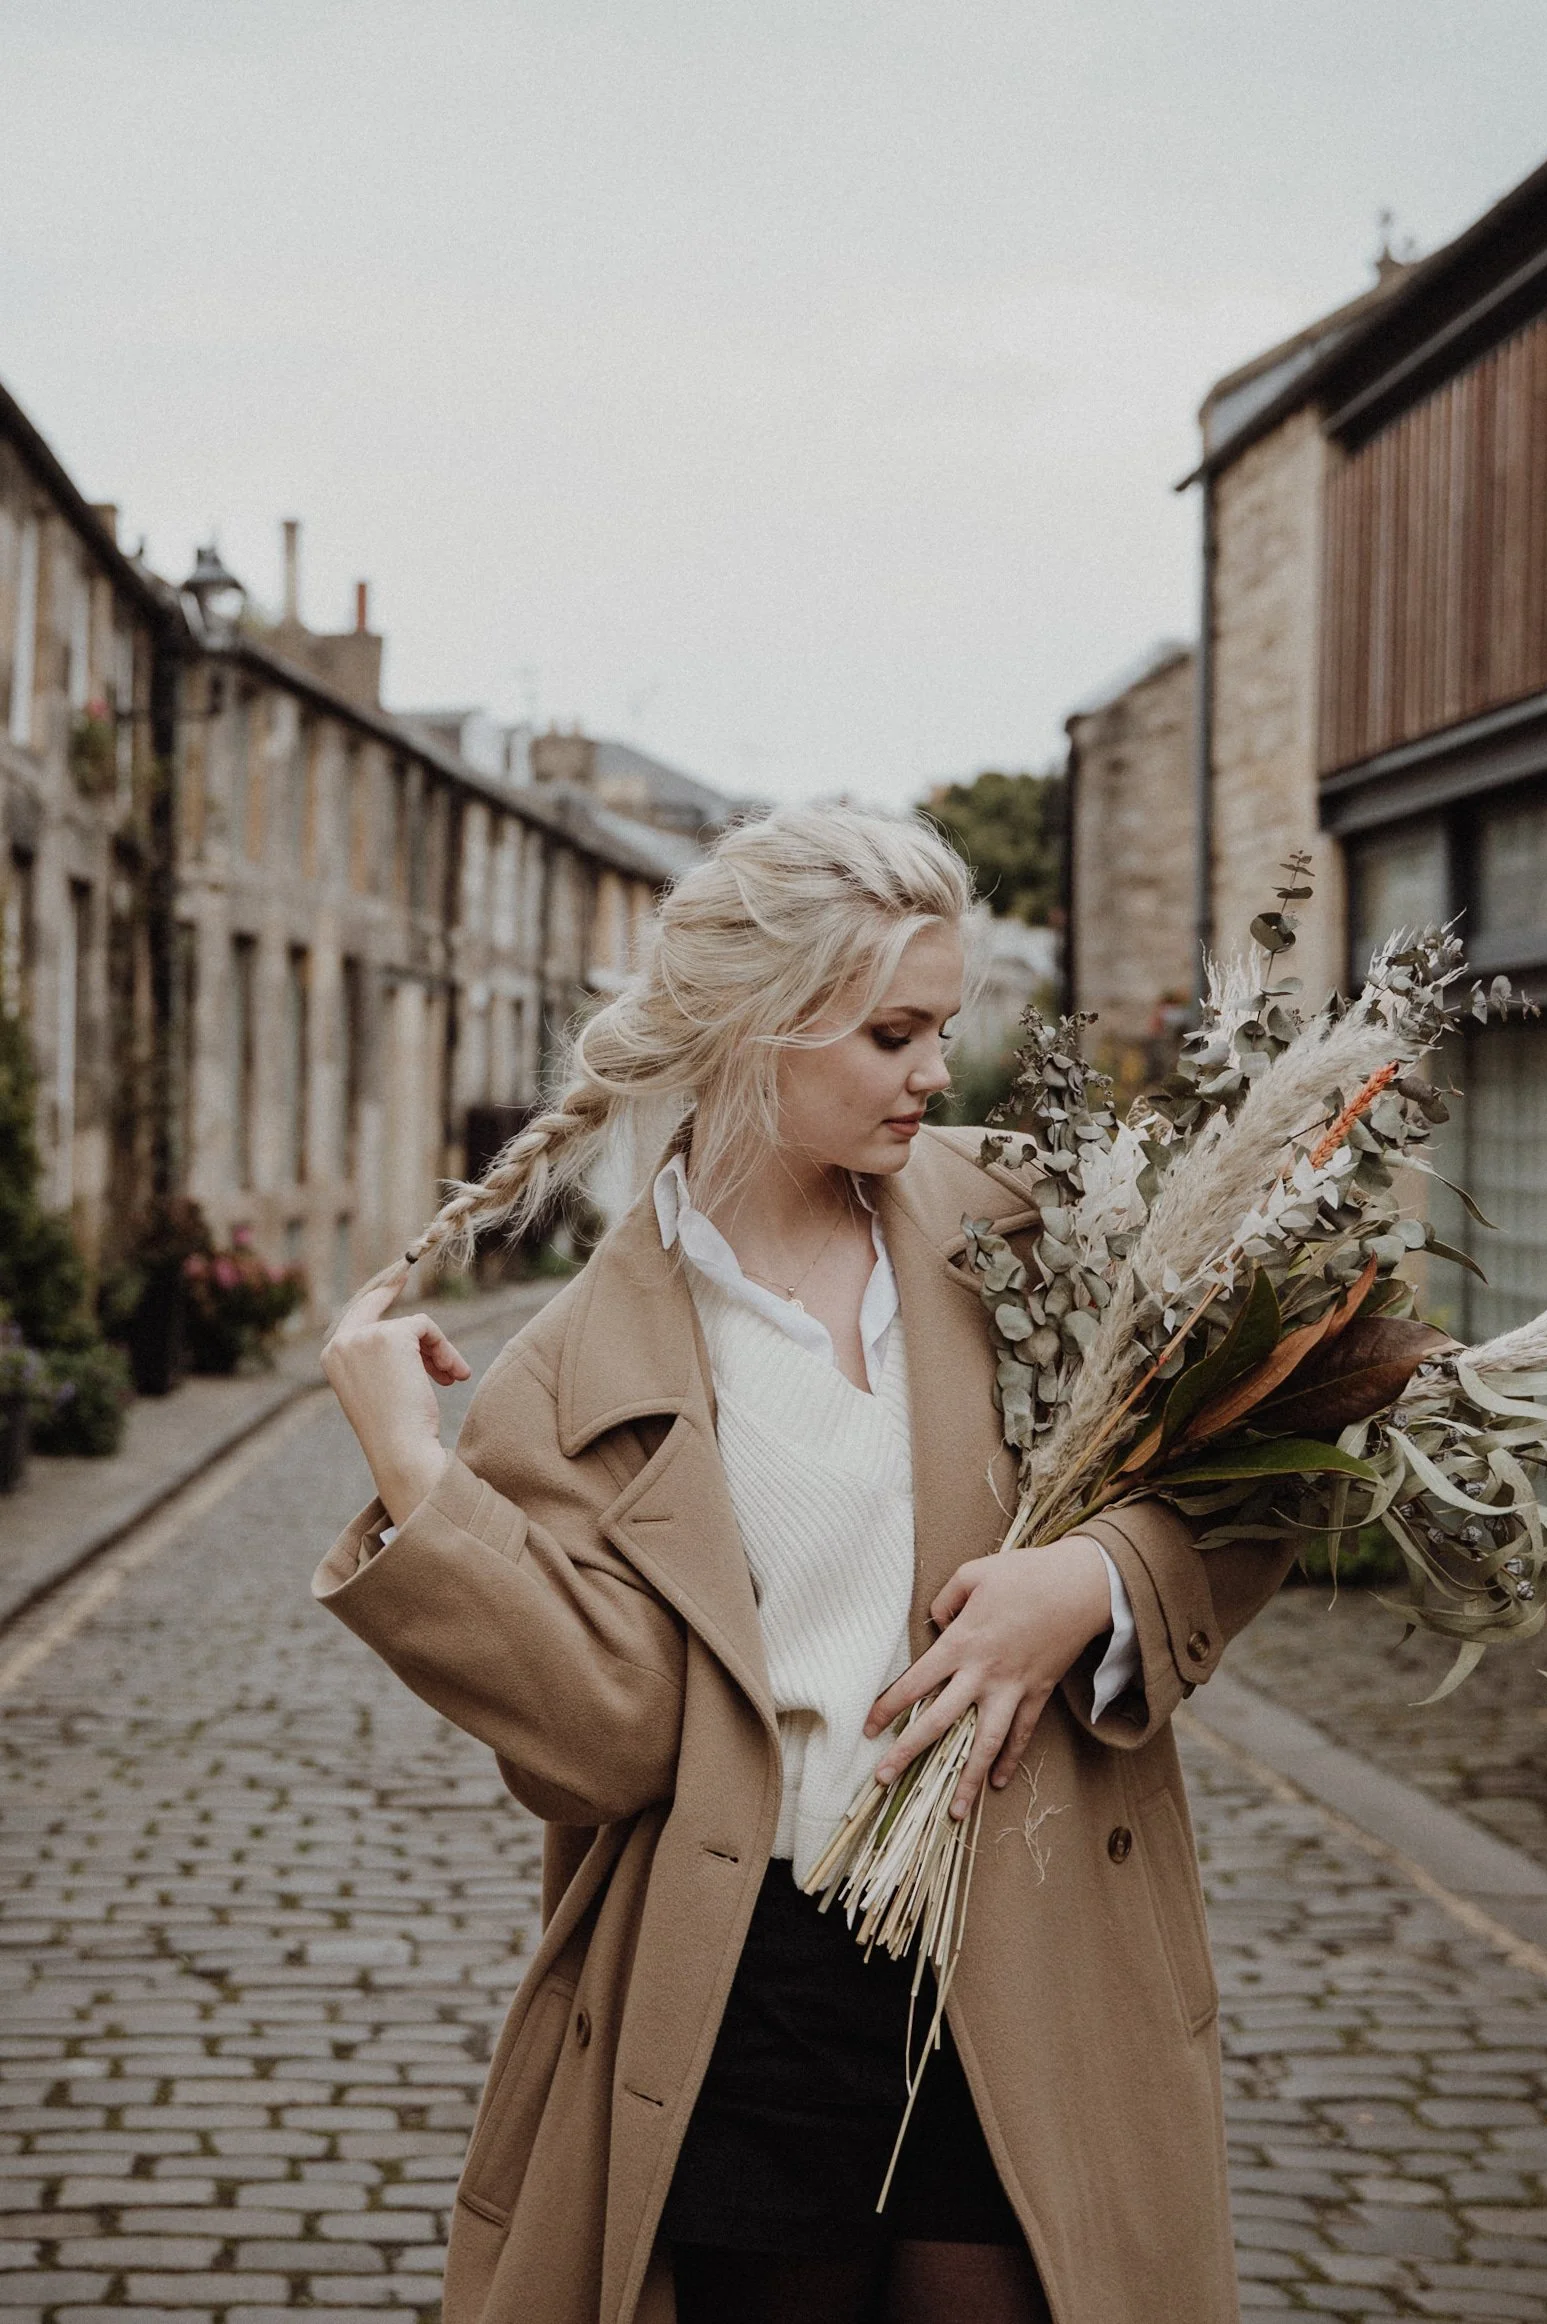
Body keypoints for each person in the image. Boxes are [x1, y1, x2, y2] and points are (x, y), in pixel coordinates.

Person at [316, 805, 1290, 2324]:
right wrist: (417, 1479)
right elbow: (608, 1741)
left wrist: (1093, 1583)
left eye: (942, 1028)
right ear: (757, 1026)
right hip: (752, 1981)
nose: (931, 1072)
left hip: (1035, 1937)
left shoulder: (1034, 1221)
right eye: (892, 1031)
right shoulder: (571, 1373)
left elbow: (1261, 1457)